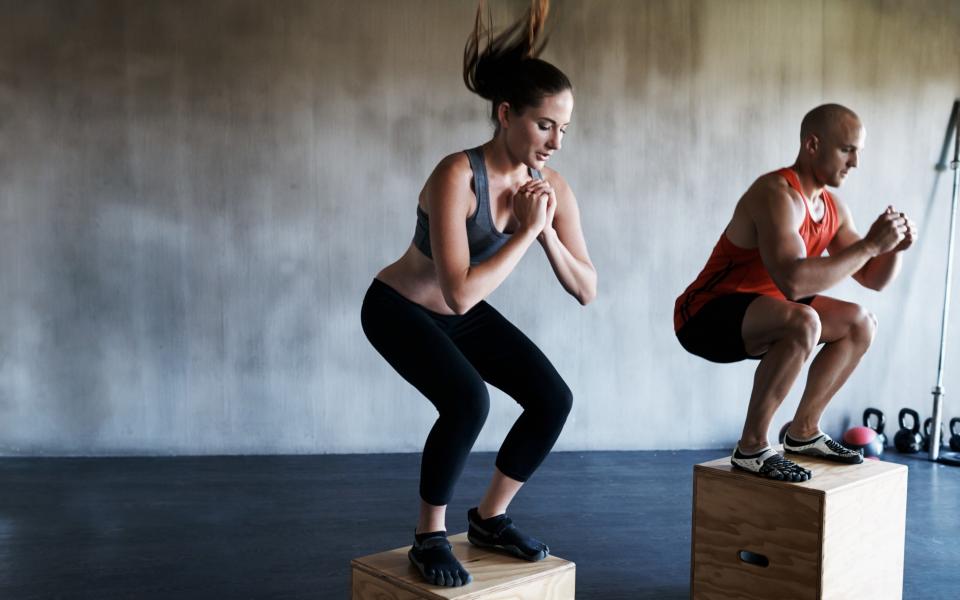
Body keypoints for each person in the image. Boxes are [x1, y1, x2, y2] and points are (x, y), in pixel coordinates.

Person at [360, 0, 596, 587]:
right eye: (546, 125)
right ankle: (430, 536)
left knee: (551, 399)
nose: (556, 142)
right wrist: (525, 232)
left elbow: (587, 288)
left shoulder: (552, 188)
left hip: (459, 313)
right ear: (506, 113)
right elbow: (460, 293)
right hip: (398, 309)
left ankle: (491, 518)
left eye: (564, 129)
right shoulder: (457, 176)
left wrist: (544, 238)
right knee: (467, 401)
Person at [674, 104, 916, 482]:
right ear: (812, 145)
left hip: (768, 310)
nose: (854, 162)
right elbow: (794, 282)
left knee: (860, 323)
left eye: (858, 152)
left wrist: (892, 248)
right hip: (705, 315)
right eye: (846, 150)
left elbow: (872, 278)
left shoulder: (832, 207)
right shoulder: (776, 194)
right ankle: (752, 447)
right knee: (804, 321)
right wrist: (870, 245)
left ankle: (803, 432)